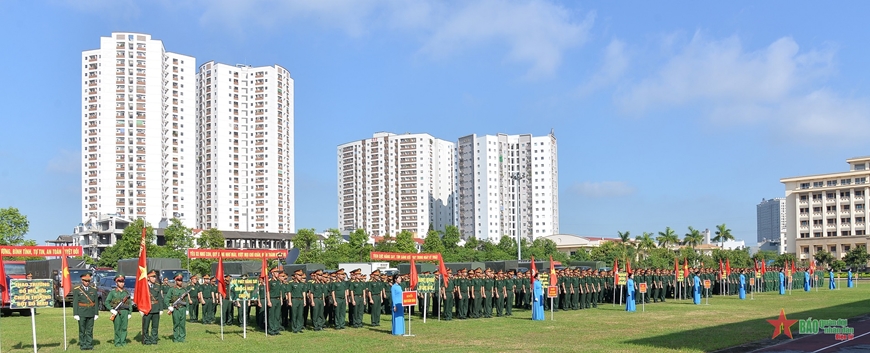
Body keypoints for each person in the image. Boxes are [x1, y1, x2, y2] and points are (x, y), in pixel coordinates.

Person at [72, 272, 98, 350]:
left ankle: (89, 344)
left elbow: (95, 302)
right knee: (82, 329)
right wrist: (75, 314)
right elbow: (75, 302)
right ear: (82, 280)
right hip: (82, 312)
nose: (87, 282)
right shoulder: (77, 290)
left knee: (90, 330)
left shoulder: (93, 290)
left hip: (91, 312)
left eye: (88, 281)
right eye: (85, 281)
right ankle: (83, 345)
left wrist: (96, 313)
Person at [104, 274, 131, 347]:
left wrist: (129, 312)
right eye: (120, 282)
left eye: (123, 282)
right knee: (117, 327)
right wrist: (111, 310)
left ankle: (123, 342)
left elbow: (130, 303)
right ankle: (117, 342)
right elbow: (106, 302)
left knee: (124, 327)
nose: (122, 283)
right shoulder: (112, 292)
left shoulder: (126, 292)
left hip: (125, 311)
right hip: (116, 312)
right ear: (116, 283)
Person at [164, 274, 189, 342]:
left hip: (183, 308)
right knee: (176, 324)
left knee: (182, 324)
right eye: (179, 280)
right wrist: (169, 306)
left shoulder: (184, 290)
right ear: (176, 280)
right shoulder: (172, 290)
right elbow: (166, 299)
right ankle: (176, 338)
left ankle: (182, 338)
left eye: (181, 280)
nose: (180, 282)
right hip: (176, 309)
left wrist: (187, 309)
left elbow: (187, 300)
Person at [141, 270, 163, 345]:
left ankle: (154, 339)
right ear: (148, 277)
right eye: (152, 277)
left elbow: (160, 297)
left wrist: (161, 309)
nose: (154, 278)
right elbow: (141, 298)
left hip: (156, 308)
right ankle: (146, 339)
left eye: (155, 277)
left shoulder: (157, 286)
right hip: (147, 309)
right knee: (146, 326)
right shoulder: (144, 286)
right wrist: (141, 309)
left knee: (155, 326)